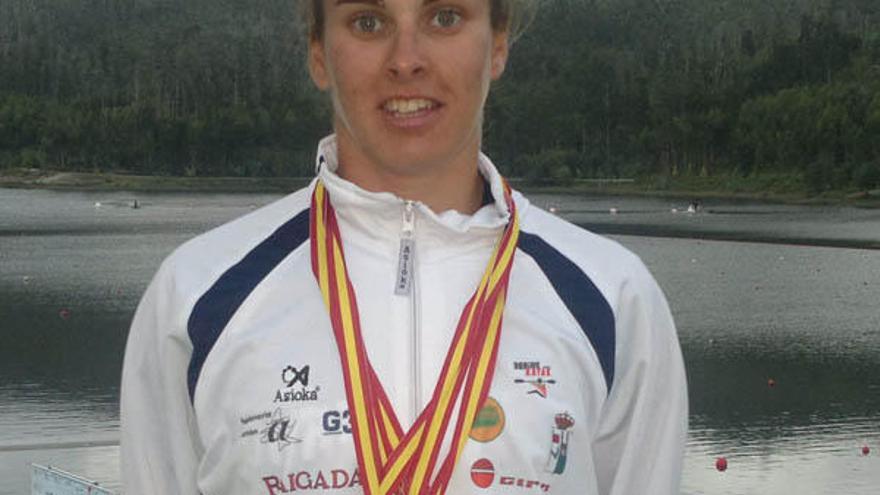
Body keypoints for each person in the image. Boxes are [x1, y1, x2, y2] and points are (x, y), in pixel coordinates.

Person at [120, 0, 688, 493]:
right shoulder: (196, 298)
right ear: (319, 53)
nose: (406, 58)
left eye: (444, 17)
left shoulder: (612, 302)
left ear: (497, 44)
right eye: (368, 21)